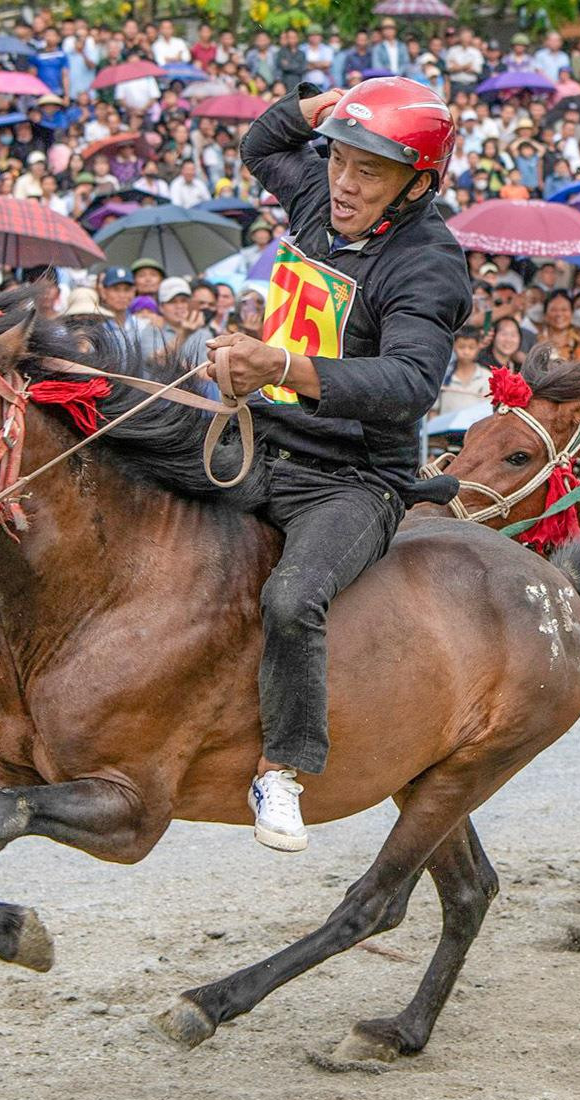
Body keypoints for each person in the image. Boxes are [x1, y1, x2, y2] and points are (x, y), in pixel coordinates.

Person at [204, 76, 470, 851]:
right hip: (262, 437)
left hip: (353, 479)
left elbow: (410, 384)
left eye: (369, 171)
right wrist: (325, 109)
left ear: (417, 183)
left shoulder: (430, 263)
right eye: (339, 162)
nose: (344, 184)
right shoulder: (322, 200)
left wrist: (278, 364)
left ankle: (283, 767)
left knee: (292, 598)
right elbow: (262, 144)